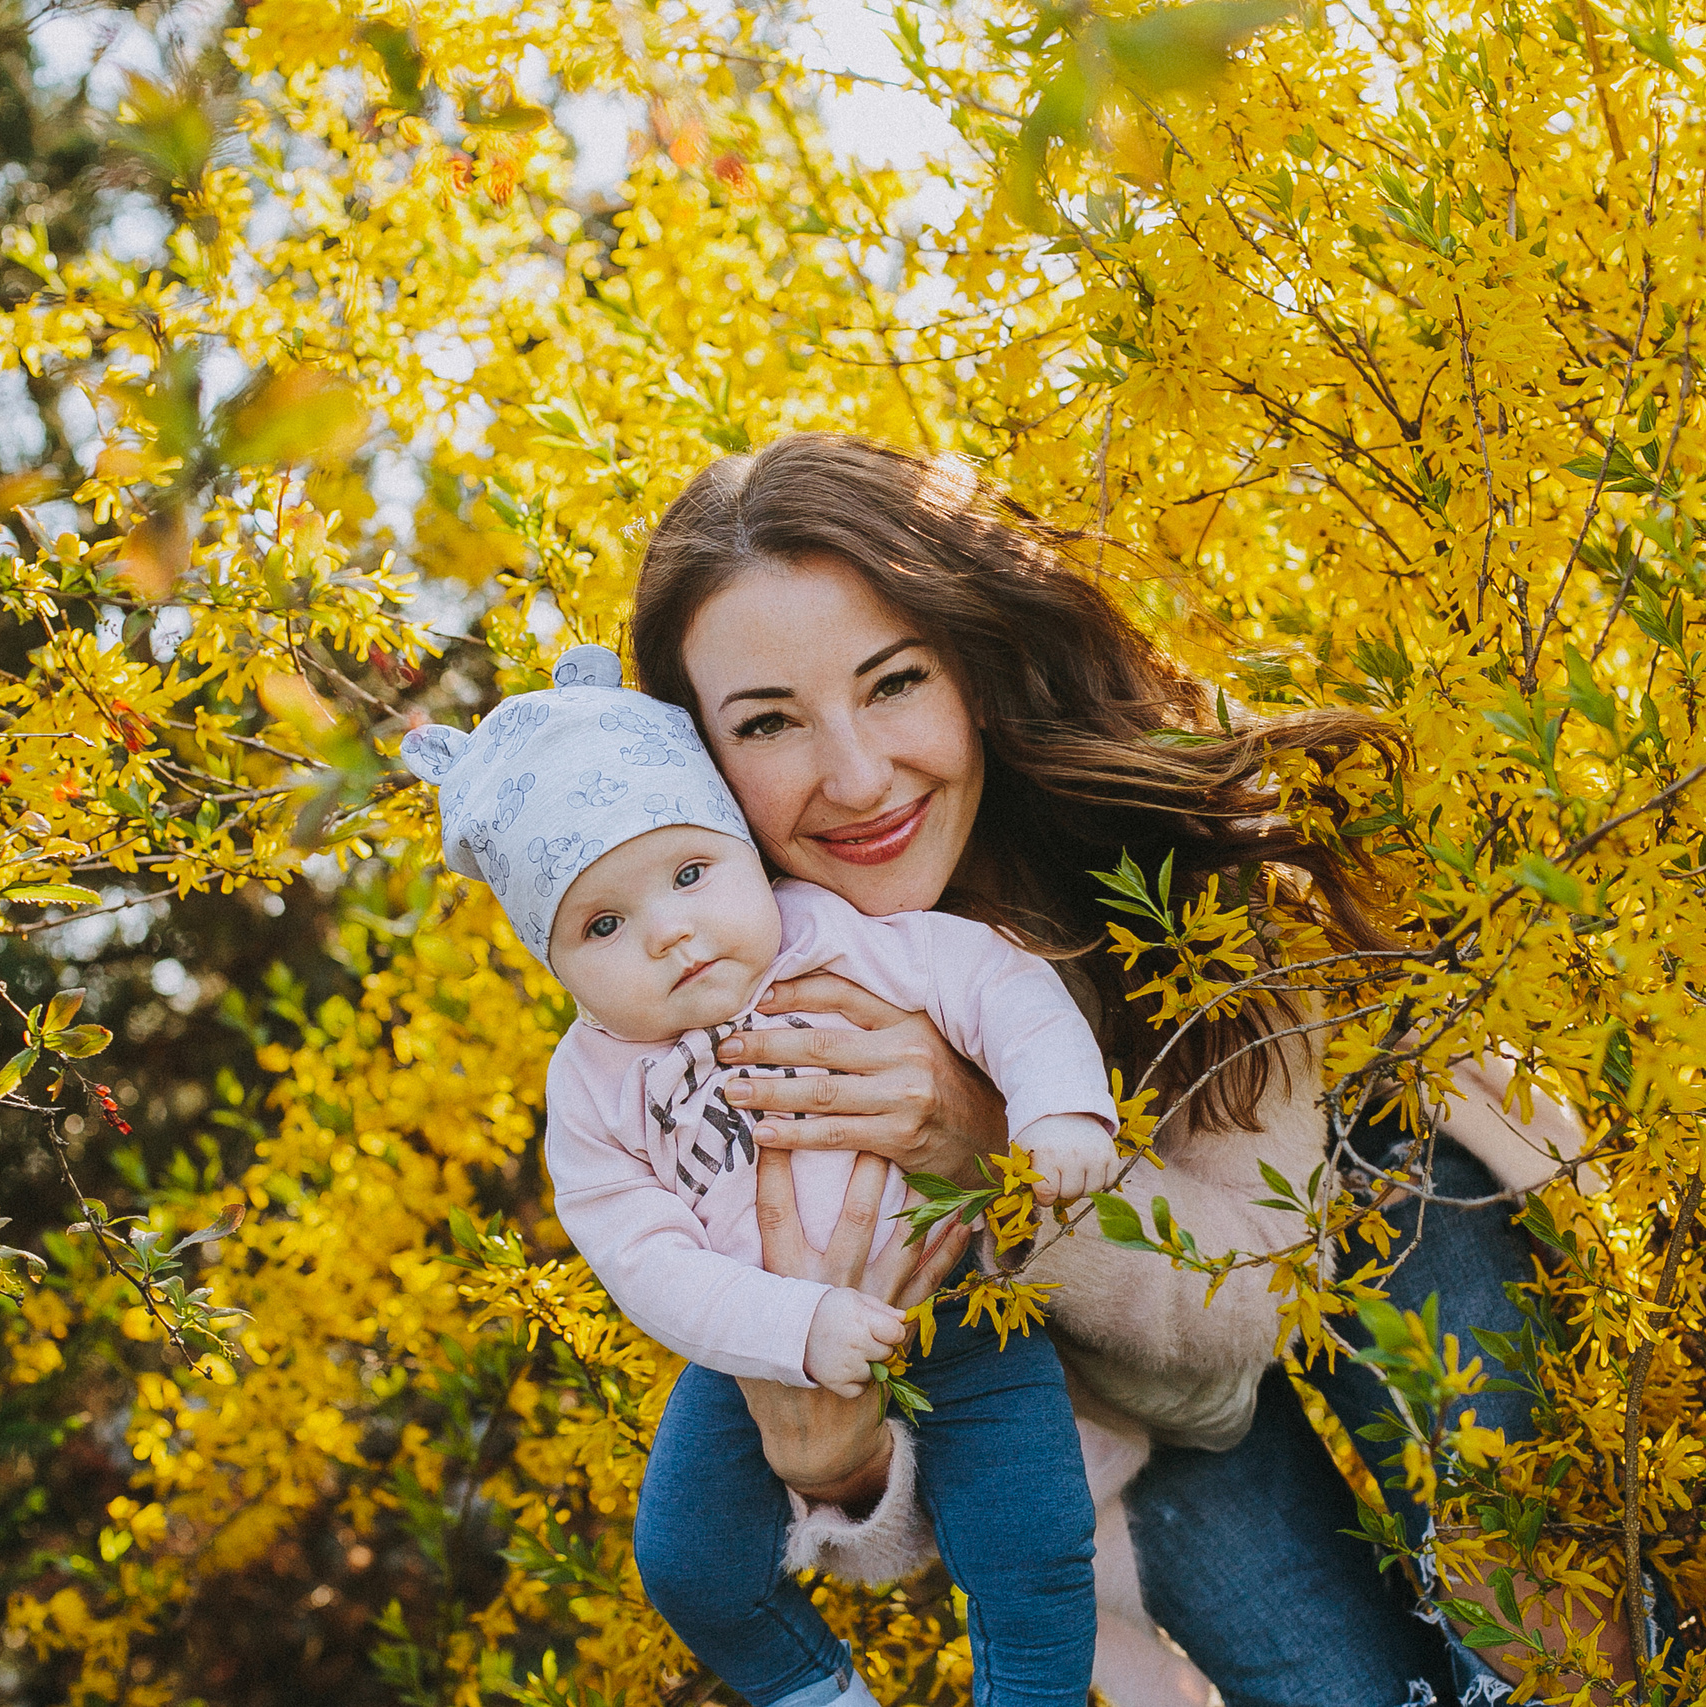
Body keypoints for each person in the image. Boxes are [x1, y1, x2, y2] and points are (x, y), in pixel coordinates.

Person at [628, 432, 1637, 1707]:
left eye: (893, 683)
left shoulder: (1178, 837)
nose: (858, 776)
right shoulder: (712, 981)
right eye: (768, 723)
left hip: (1352, 1201)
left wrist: (985, 1142)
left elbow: (1237, 1309)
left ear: (974, 660)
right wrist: (839, 1468)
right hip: (1124, 1406)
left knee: (1537, 1633)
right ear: (695, 767)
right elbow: (934, 1442)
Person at [398, 643, 1107, 1707]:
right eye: (603, 924)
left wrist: (1055, 1106)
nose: (670, 930)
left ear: (742, 852)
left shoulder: (834, 934)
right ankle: (817, 1692)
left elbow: (999, 989)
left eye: (690, 874)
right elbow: (642, 1260)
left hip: (965, 1312)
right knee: (689, 1565)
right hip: (755, 1359)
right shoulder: (591, 1088)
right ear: (556, 965)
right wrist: (790, 1329)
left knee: (1036, 1554)